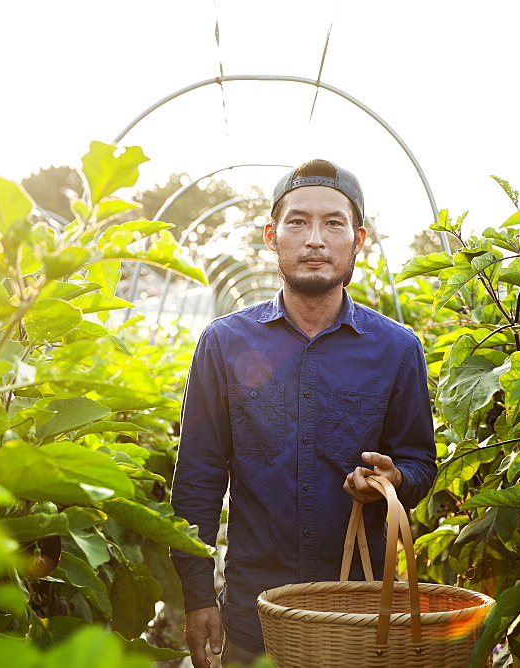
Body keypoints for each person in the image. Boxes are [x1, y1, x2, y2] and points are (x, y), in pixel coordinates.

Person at [170, 159, 437, 666]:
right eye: (298, 222)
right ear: (272, 236)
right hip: (255, 617)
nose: (315, 239)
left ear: (358, 241)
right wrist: (199, 595)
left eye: (333, 223)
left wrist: (393, 478)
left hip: (360, 616)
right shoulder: (224, 344)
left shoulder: (397, 349)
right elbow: (199, 480)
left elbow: (421, 463)